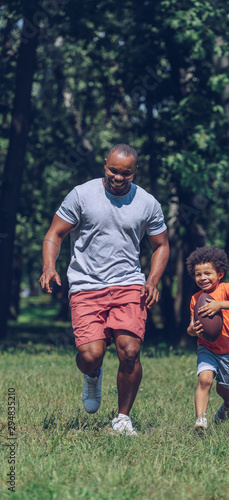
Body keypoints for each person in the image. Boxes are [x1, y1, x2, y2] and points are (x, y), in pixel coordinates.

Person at [39, 144, 169, 436]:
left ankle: (122, 419)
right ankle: (93, 375)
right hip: (86, 285)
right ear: (105, 165)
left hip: (128, 285)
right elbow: (55, 234)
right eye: (113, 170)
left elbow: (161, 245)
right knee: (90, 355)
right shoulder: (82, 195)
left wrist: (152, 280)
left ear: (134, 172)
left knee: (130, 351)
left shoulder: (147, 203)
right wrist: (49, 266)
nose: (119, 178)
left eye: (126, 173)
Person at [186, 246, 229, 430]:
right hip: (206, 347)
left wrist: (220, 305)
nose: (203, 278)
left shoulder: (227, 289)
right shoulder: (196, 298)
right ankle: (201, 419)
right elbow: (192, 327)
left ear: (220, 273)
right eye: (198, 274)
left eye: (208, 273)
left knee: (222, 389)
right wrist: (192, 330)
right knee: (204, 380)